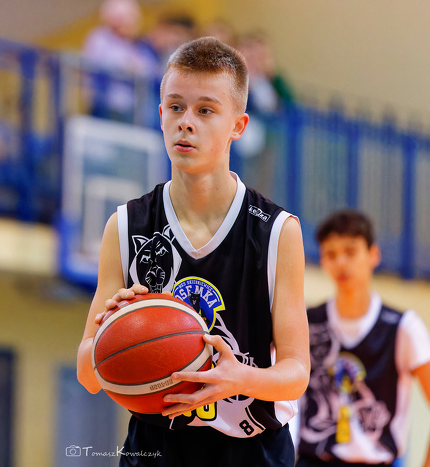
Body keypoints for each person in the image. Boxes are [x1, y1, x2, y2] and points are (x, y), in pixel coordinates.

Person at [77, 37, 310, 466]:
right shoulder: (125, 226)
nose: (186, 122)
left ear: (238, 125)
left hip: (252, 452)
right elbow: (88, 376)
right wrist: (110, 329)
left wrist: (242, 378)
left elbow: (296, 373)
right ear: (160, 114)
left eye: (205, 110)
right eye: (176, 107)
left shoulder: (278, 231)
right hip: (155, 448)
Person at [296, 210, 430, 467]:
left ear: (374, 255)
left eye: (350, 251)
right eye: (331, 254)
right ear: (323, 261)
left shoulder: (403, 327)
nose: (341, 262)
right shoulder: (307, 322)